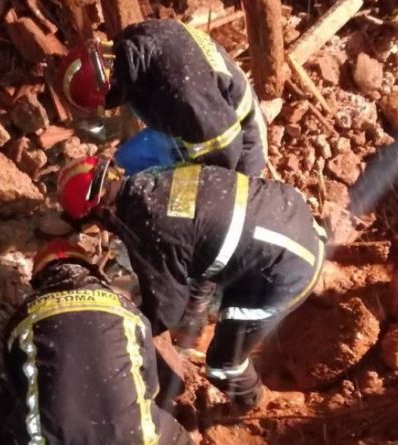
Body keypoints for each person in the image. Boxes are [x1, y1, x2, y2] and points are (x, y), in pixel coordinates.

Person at [56, 157, 326, 407]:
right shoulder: (155, 179)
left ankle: (254, 403)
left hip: (287, 272)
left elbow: (165, 313)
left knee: (222, 366)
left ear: (100, 211)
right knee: (206, 254)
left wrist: (121, 330)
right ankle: (197, 328)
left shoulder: (148, 228)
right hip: (293, 218)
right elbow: (198, 241)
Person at [4, 238, 192, 444]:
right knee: (177, 438)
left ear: (39, 279)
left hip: (53, 440)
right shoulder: (129, 312)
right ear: (92, 272)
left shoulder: (22, 320)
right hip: (134, 435)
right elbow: (151, 387)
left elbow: (20, 387)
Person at [57, 19, 269, 177]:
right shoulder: (132, 45)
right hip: (202, 125)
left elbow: (224, 157)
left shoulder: (183, 95)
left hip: (241, 146)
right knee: (126, 162)